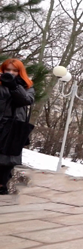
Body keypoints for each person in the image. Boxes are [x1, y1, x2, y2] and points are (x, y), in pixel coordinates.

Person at [0, 59, 35, 195]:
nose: (11, 73)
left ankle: (2, 186)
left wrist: (14, 85)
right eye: (7, 70)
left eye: (14, 70)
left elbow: (26, 100)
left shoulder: (27, 86)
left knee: (7, 161)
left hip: (13, 127)